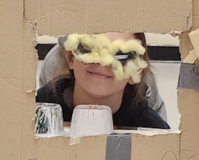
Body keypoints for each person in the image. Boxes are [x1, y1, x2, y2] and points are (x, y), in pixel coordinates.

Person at [36, 32, 170, 130]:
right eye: (91, 50)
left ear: (136, 71)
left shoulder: (152, 129)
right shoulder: (32, 115)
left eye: (120, 55)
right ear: (71, 58)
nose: (103, 63)